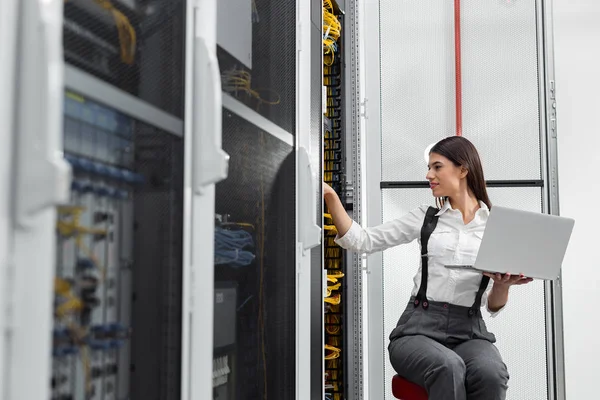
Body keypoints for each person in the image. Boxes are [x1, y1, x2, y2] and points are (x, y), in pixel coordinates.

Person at [322, 136, 532, 400]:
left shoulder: (495, 227)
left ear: (463, 170)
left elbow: (492, 306)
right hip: (417, 330)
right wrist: (330, 195)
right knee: (448, 366)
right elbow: (362, 240)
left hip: (469, 332)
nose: (428, 174)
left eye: (437, 167)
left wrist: (502, 285)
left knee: (492, 373)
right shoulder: (425, 218)